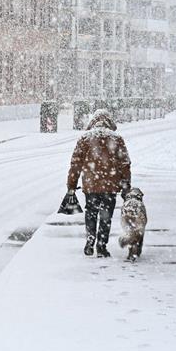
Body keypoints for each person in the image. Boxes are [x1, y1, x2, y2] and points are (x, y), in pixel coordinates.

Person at [67, 109, 131, 258]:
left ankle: (90, 239)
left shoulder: (85, 138)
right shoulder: (116, 139)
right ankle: (102, 245)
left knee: (91, 212)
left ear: (93, 122)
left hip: (91, 185)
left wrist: (71, 184)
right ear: (109, 122)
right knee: (106, 215)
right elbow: (125, 164)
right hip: (110, 184)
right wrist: (125, 185)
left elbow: (75, 164)